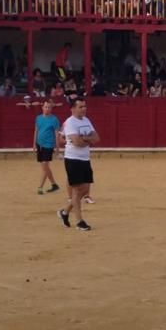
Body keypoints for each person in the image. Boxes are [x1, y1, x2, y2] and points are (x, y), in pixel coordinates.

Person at [57, 97, 99, 231]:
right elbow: (77, 143)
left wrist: (84, 139)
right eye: (80, 107)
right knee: (76, 190)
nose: (84, 109)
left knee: (85, 190)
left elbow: (97, 138)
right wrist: (88, 139)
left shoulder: (86, 120)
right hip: (73, 159)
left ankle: (64, 212)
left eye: (85, 106)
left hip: (85, 159)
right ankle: (80, 222)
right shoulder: (70, 122)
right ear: (73, 109)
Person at [33, 99, 61, 195]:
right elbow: (36, 131)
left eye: (49, 107)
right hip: (39, 144)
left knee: (45, 165)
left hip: (49, 144)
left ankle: (40, 187)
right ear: (42, 108)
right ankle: (54, 184)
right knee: (44, 167)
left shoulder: (54, 119)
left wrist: (57, 148)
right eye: (46, 107)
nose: (47, 109)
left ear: (51, 109)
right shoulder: (38, 118)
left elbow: (57, 134)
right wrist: (34, 144)